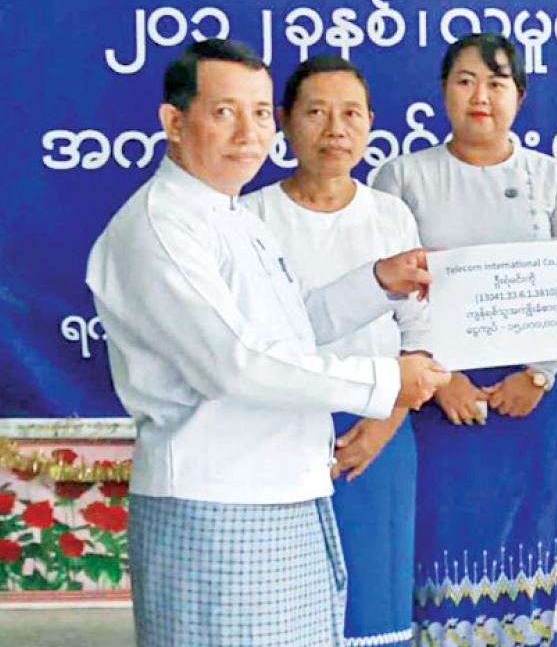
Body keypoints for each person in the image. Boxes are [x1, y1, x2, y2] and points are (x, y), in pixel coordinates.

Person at [86, 39, 450, 647]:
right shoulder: (161, 226)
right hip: (217, 505)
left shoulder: (230, 216)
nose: (248, 133)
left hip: (284, 494)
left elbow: (291, 327)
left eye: (258, 113)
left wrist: (376, 282)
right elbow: (233, 364)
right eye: (224, 112)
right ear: (174, 121)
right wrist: (388, 381)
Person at [372, 32, 557, 647]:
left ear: (519, 95)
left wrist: (539, 374)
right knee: (440, 534)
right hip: (433, 394)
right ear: (444, 91)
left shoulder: (552, 178)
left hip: (533, 398)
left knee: (529, 533)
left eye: (497, 83)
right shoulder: (402, 177)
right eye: (465, 81)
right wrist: (442, 378)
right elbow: (384, 291)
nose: (481, 96)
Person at [242, 55, 425, 646]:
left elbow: (421, 333)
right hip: (281, 435)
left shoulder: (390, 214)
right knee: (285, 609)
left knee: (374, 606)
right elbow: (260, 341)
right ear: (284, 121)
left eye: (351, 114)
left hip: (378, 435)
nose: (335, 130)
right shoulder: (250, 217)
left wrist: (386, 422)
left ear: (370, 122)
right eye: (317, 113)